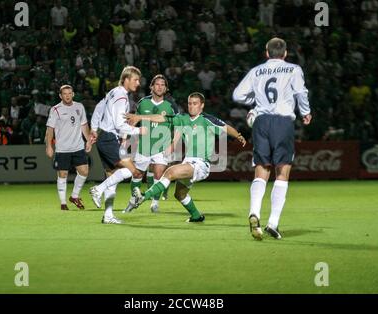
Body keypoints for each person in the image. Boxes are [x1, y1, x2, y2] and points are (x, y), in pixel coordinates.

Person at [232, 37, 312, 240]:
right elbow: (301, 92)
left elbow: (238, 95)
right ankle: (273, 222)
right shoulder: (293, 69)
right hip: (282, 122)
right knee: (282, 171)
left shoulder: (256, 71)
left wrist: (255, 101)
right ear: (285, 53)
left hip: (261, 121)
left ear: (266, 53)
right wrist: (306, 112)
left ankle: (254, 212)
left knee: (261, 169)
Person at [127, 92, 247, 222]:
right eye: (189, 103)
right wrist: (140, 117)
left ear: (202, 106)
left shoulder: (207, 120)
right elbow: (161, 118)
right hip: (188, 162)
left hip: (201, 164)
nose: (191, 106)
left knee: (170, 171)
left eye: (195, 104)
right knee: (180, 194)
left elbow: (226, 127)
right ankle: (196, 216)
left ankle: (144, 196)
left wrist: (238, 136)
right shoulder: (182, 119)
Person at [89, 66, 147, 224]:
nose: (138, 83)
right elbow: (119, 124)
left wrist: (94, 129)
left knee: (112, 177)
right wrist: (138, 130)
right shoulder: (121, 97)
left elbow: (99, 108)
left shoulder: (113, 92)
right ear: (126, 79)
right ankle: (97, 189)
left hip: (105, 137)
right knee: (132, 171)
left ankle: (108, 216)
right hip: (108, 138)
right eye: (135, 79)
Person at [123, 74, 179, 213]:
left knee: (159, 174)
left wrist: (172, 145)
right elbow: (133, 121)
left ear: (166, 88)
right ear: (151, 87)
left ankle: (155, 203)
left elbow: (179, 126)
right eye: (157, 84)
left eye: (162, 85)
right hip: (144, 146)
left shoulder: (171, 105)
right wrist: (125, 139)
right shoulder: (142, 103)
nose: (160, 87)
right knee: (136, 175)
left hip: (162, 146)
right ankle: (133, 200)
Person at [45, 85, 92, 211]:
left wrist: (88, 141)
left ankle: (74, 196)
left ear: (73, 94)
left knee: (84, 171)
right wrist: (49, 146)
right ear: (60, 96)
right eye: (64, 93)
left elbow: (84, 125)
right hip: (62, 148)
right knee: (63, 174)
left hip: (78, 146)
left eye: (69, 93)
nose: (67, 95)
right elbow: (50, 129)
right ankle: (63, 203)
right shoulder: (56, 109)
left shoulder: (79, 107)